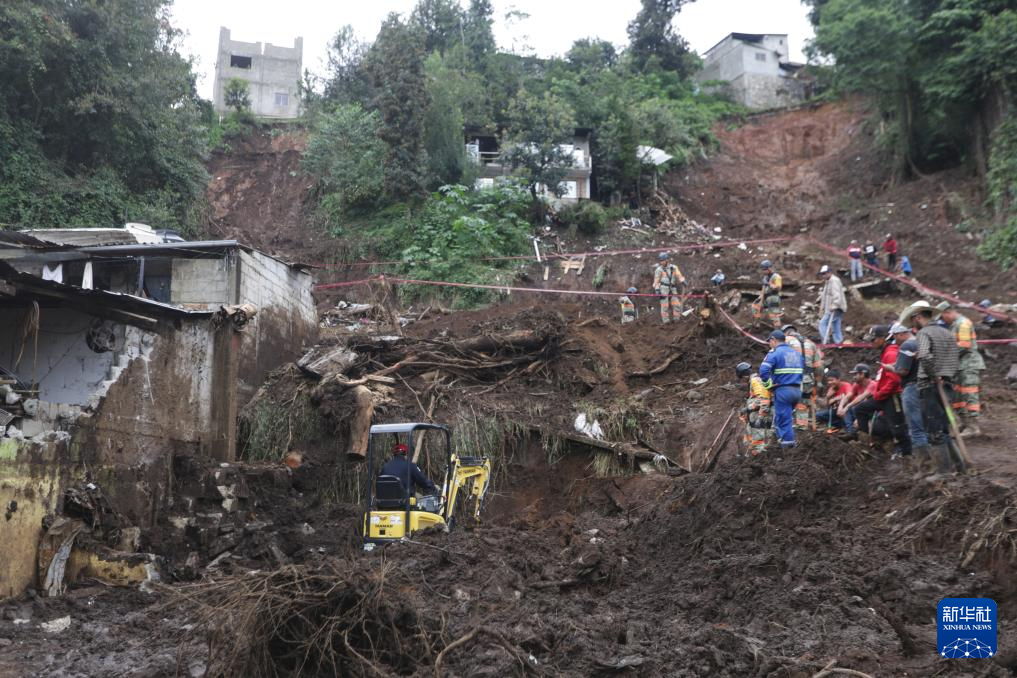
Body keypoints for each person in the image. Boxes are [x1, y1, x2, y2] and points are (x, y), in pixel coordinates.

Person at [908, 304, 966, 475]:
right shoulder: (947, 332)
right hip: (948, 384)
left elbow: (925, 356)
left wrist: (933, 374)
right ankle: (960, 466)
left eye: (913, 320)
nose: (913, 325)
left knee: (934, 430)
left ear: (918, 317)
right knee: (944, 428)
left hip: (930, 385)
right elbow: (953, 357)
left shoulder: (924, 333)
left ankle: (944, 471)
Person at [936, 302, 985, 436]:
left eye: (942, 317)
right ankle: (964, 423)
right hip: (959, 365)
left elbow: (964, 345)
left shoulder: (963, 323)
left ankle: (973, 427)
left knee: (969, 394)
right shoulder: (954, 325)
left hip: (968, 364)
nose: (942, 320)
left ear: (948, 312)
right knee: (958, 396)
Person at [862, 325, 911, 459]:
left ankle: (906, 453)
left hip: (892, 395)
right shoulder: (887, 352)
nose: (872, 343)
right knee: (862, 410)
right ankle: (874, 442)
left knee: (898, 426)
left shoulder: (890, 353)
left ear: (883, 339)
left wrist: (879, 394)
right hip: (887, 394)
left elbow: (894, 380)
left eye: (874, 340)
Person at [758, 330, 803, 450]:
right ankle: (780, 443)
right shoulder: (797, 354)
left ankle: (788, 450)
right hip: (797, 391)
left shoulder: (774, 353)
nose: (769, 344)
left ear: (774, 340)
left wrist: (768, 386)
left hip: (783, 391)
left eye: (769, 342)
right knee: (783, 418)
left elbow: (763, 371)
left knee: (784, 421)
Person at [782, 324, 823, 430]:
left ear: (785, 333)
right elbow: (819, 366)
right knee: (803, 403)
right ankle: (802, 428)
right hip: (807, 379)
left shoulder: (785, 341)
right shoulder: (810, 343)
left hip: (791, 379)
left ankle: (787, 428)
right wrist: (818, 381)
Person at [736, 362, 771, 456]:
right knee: (753, 437)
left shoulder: (755, 381)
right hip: (757, 413)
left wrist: (749, 409)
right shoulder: (756, 380)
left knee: (758, 439)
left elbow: (763, 399)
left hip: (758, 414)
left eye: (742, 378)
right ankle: (753, 454)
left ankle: (757, 456)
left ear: (744, 375)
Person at [837, 363, 876, 441]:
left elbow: (862, 397)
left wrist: (847, 407)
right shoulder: (857, 384)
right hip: (859, 410)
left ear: (862, 374)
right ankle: (851, 431)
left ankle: (853, 432)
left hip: (872, 413)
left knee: (852, 408)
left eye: (855, 374)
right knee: (849, 409)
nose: (854, 377)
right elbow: (848, 396)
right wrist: (840, 407)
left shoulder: (873, 384)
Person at [652, 252, 686, 324]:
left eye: (663, 260)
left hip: (672, 288)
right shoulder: (659, 270)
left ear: (667, 260)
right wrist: (657, 289)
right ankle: (666, 321)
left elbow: (679, 275)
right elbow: (656, 281)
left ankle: (676, 319)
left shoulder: (674, 267)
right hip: (663, 288)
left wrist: (682, 281)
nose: (661, 262)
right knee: (664, 306)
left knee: (676, 304)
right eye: (660, 260)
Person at [818, 264, 847, 344]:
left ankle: (826, 341)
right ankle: (838, 342)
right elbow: (825, 296)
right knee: (835, 325)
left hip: (836, 308)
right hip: (831, 308)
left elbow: (837, 295)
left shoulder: (834, 281)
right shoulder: (828, 282)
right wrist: (822, 307)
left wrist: (834, 305)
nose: (823, 275)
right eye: (822, 274)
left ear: (829, 272)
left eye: (824, 273)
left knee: (822, 323)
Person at [752, 260, 783, 328]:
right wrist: (760, 297)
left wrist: (769, 284)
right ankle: (756, 324)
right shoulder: (765, 277)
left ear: (769, 268)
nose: (763, 271)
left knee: (773, 313)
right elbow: (763, 289)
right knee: (755, 306)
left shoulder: (776, 277)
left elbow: (778, 287)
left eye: (764, 270)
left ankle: (777, 328)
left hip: (773, 296)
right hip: (765, 296)